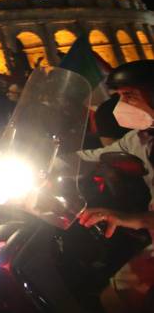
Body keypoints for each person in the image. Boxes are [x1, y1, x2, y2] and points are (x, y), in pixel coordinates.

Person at [75, 61, 154, 312]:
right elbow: (97, 156)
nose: (122, 105)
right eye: (119, 96)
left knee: (116, 300)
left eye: (129, 95)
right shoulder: (141, 137)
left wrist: (128, 218)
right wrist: (46, 161)